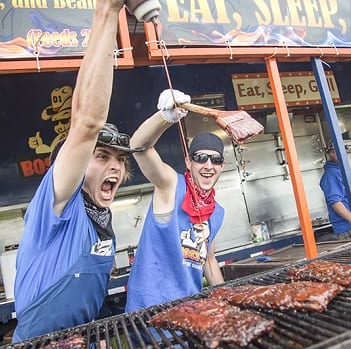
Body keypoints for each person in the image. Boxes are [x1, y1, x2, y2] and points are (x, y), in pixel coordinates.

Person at [12, 0, 139, 342]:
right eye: (101, 156)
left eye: (119, 160)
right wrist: (107, 12)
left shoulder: (101, 220)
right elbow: (86, 123)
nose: (114, 165)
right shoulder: (58, 206)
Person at [125, 89, 225, 315]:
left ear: (222, 166)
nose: (208, 165)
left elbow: (208, 258)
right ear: (189, 162)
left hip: (189, 311)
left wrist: (225, 300)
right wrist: (165, 117)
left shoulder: (217, 212)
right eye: (201, 158)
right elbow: (138, 146)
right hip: (150, 312)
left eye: (215, 160)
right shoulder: (171, 185)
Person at [318, 139, 351, 242]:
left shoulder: (342, 171)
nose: (338, 153)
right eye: (333, 151)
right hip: (347, 229)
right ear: (329, 154)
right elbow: (336, 204)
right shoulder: (331, 175)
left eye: (340, 150)